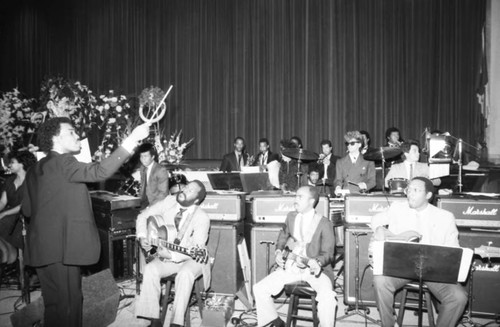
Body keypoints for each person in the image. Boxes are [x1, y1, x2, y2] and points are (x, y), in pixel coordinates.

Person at [21, 117, 150, 327]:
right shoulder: (64, 162)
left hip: (40, 249)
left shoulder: (35, 169)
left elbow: (27, 209)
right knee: (70, 307)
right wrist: (133, 138)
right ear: (56, 138)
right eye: (71, 131)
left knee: (54, 306)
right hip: (61, 250)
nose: (77, 135)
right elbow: (100, 171)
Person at [371, 177, 468, 327]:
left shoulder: (445, 217)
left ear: (428, 195)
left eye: (415, 190)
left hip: (433, 271)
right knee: (380, 281)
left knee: (459, 297)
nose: (410, 194)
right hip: (400, 268)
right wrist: (378, 229)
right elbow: (375, 220)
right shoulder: (397, 208)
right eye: (408, 190)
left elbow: (452, 250)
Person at [253, 186, 336, 327]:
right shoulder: (291, 217)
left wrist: (316, 262)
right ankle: (274, 321)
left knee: (328, 298)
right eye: (295, 196)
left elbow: (329, 254)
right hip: (291, 269)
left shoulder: (324, 223)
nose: (295, 200)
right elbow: (283, 236)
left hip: (316, 272)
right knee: (259, 288)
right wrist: (278, 251)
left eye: (300, 197)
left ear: (311, 201)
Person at [135, 180, 210, 327]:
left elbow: (197, 247)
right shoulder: (169, 201)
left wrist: (172, 256)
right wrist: (143, 236)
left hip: (192, 257)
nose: (184, 190)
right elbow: (142, 216)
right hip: (166, 254)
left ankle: (176, 322)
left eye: (190, 191)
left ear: (196, 200)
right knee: (150, 269)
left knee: (185, 274)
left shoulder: (202, 217)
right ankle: (153, 320)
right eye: (186, 187)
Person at [0, 151, 37, 262]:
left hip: (25, 217)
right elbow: (2, 202)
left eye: (12, 162)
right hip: (10, 216)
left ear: (22, 164)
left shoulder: (32, 181)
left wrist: (4, 213)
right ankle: (8, 259)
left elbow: (24, 205)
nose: (9, 165)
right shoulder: (9, 180)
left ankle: (10, 259)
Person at [334, 131, 376, 195]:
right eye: (347, 143)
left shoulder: (369, 161)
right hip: (346, 195)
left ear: (359, 144)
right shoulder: (340, 162)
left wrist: (365, 185)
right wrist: (338, 188)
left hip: (361, 195)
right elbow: (338, 180)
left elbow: (373, 181)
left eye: (352, 143)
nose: (349, 145)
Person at [137, 142, 169, 208]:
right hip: (143, 203)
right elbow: (143, 187)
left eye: (145, 156)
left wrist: (150, 207)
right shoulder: (142, 168)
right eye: (141, 156)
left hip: (156, 204)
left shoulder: (160, 170)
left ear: (153, 157)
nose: (142, 159)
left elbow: (163, 194)